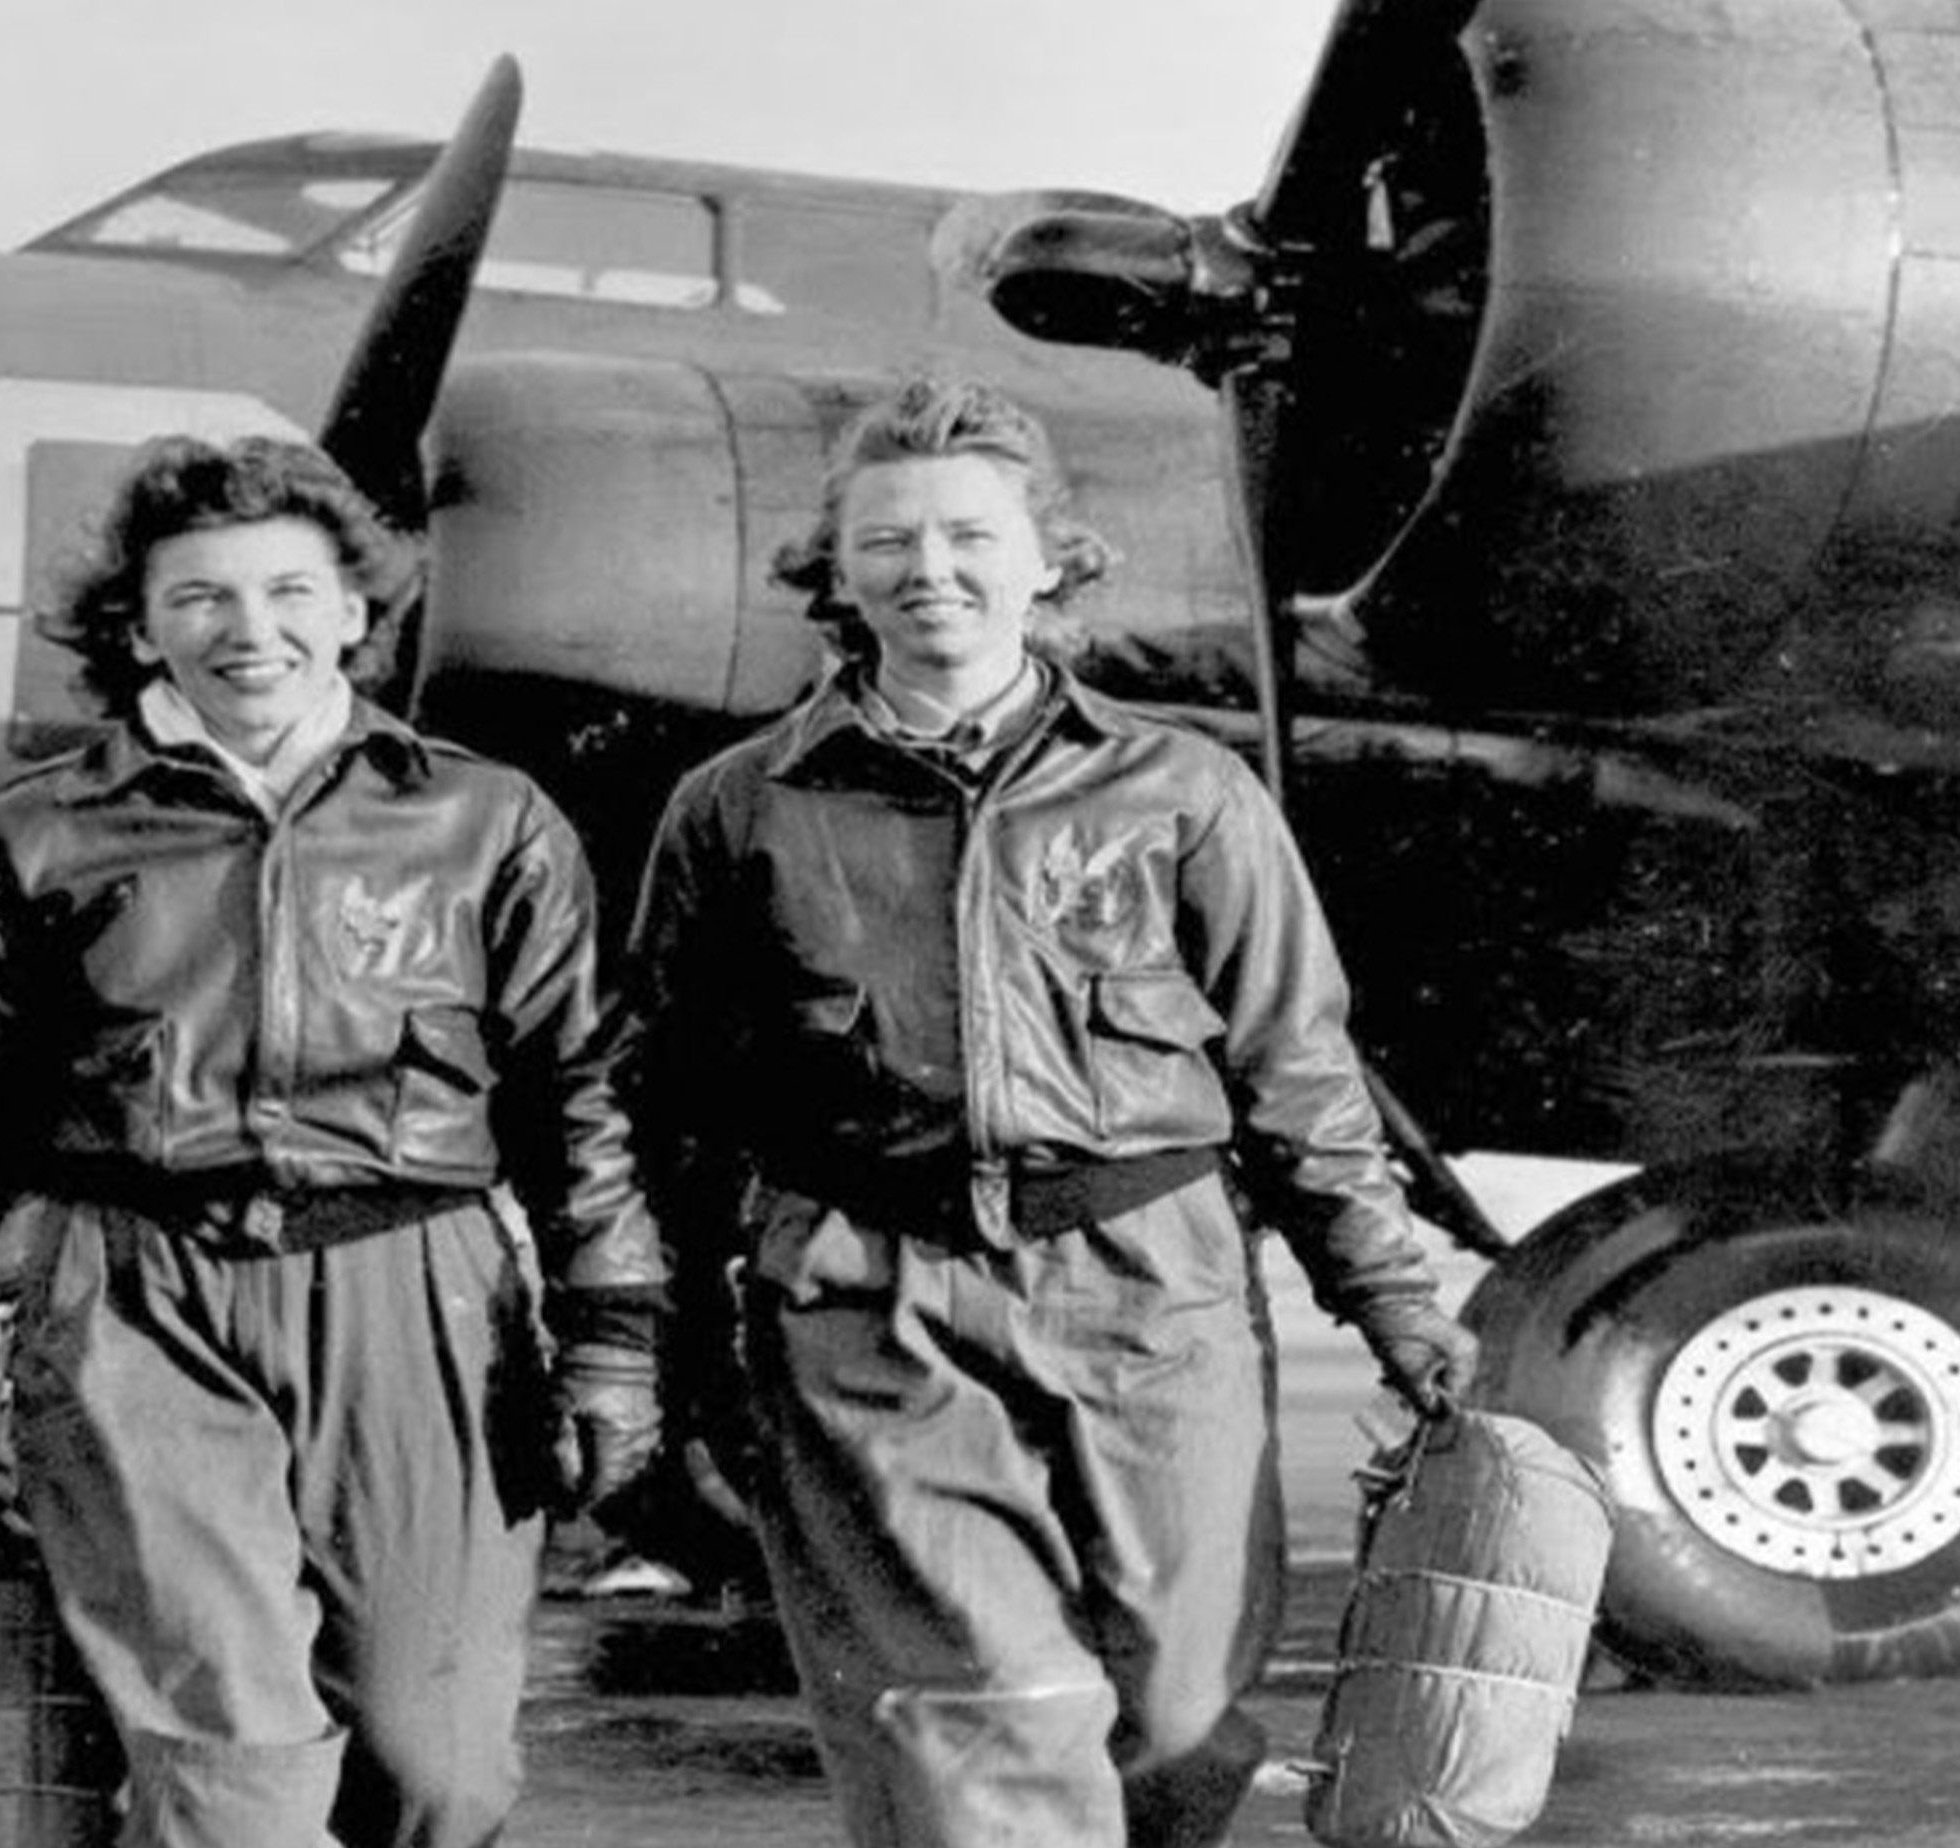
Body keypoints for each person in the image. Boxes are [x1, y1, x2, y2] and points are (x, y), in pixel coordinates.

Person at [621, 375, 1478, 1848]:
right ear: (833, 571)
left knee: (1182, 1716)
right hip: (867, 1297)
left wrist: (1397, 1308)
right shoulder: (738, 807)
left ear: (1049, 560)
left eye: (969, 534)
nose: (929, 571)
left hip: (1152, 1291)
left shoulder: (1184, 791)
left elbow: (1296, 1069)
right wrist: (665, 1354)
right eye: (885, 541)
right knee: (984, 1713)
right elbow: (672, 1105)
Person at [0, 433, 668, 1848]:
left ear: (359, 611)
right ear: (138, 626)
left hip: (418, 1292)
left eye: (292, 592)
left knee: (438, 1775)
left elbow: (578, 1091)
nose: (252, 632)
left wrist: (612, 1333)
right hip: (131, 1294)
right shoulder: (32, 837)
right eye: (202, 598)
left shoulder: (485, 820)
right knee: (233, 1762)